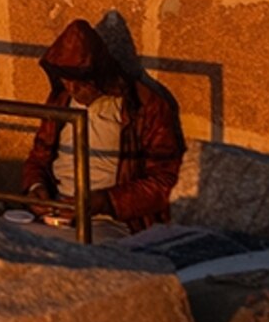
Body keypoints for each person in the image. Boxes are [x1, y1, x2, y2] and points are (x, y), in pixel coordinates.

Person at [22, 17, 185, 234]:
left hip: (108, 220)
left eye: (80, 82)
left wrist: (106, 201)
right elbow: (38, 157)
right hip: (57, 213)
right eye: (65, 80)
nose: (72, 89)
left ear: (99, 75)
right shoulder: (60, 100)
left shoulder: (143, 105)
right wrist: (36, 187)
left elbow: (166, 181)